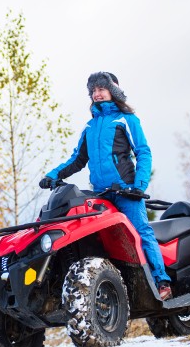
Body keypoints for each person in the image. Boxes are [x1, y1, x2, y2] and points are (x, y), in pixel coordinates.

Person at [39, 71, 173, 301]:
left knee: (141, 233)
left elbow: (143, 152)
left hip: (126, 192)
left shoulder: (126, 120)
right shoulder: (90, 127)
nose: (97, 94)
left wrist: (139, 185)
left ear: (114, 91)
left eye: (101, 89)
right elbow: (77, 160)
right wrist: (52, 176)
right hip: (101, 195)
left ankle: (162, 281)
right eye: (94, 91)